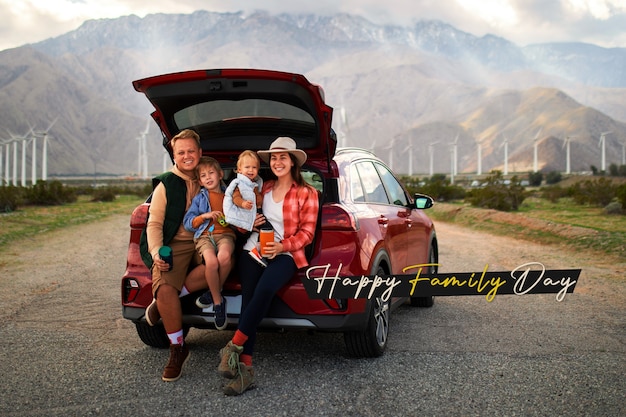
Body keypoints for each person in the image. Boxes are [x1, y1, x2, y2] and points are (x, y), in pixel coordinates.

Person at [217, 137, 319, 396]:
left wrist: (281, 247)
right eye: (273, 158)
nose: (277, 161)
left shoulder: (307, 193)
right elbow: (241, 217)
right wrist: (248, 225)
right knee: (249, 301)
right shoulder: (263, 188)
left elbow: (307, 234)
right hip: (252, 250)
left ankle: (233, 346)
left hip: (287, 253)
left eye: (283, 157)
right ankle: (245, 372)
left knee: (264, 291)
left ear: (293, 161)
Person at [140, 129, 208, 382]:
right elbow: (154, 223)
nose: (187, 156)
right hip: (175, 243)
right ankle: (178, 348)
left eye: (191, 151)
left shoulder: (209, 177)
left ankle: (161, 306)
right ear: (174, 155)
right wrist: (157, 251)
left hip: (203, 240)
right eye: (181, 152)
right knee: (166, 288)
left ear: (200, 153)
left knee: (222, 263)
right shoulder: (166, 184)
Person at [183, 156, 235, 330]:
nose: (208, 177)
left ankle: (214, 291)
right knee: (211, 263)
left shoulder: (230, 195)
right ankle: (218, 302)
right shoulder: (200, 198)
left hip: (225, 234)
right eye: (203, 175)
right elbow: (188, 222)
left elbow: (241, 216)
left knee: (224, 257)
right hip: (204, 236)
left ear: (220, 174)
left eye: (211, 173)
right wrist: (204, 216)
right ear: (200, 181)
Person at [223, 150, 272, 267]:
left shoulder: (255, 184)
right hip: (246, 213)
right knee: (267, 228)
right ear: (239, 169)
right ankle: (259, 251)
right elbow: (235, 198)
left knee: (266, 229)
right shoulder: (239, 183)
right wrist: (243, 203)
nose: (251, 170)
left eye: (254, 167)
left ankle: (259, 250)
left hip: (256, 212)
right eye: (247, 167)